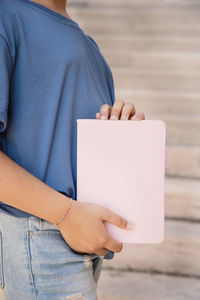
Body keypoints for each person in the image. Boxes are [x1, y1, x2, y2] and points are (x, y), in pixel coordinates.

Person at [0, 0, 145, 299]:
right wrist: (65, 214)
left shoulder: (87, 45)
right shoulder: (6, 15)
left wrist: (120, 130)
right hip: (43, 230)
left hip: (83, 233)